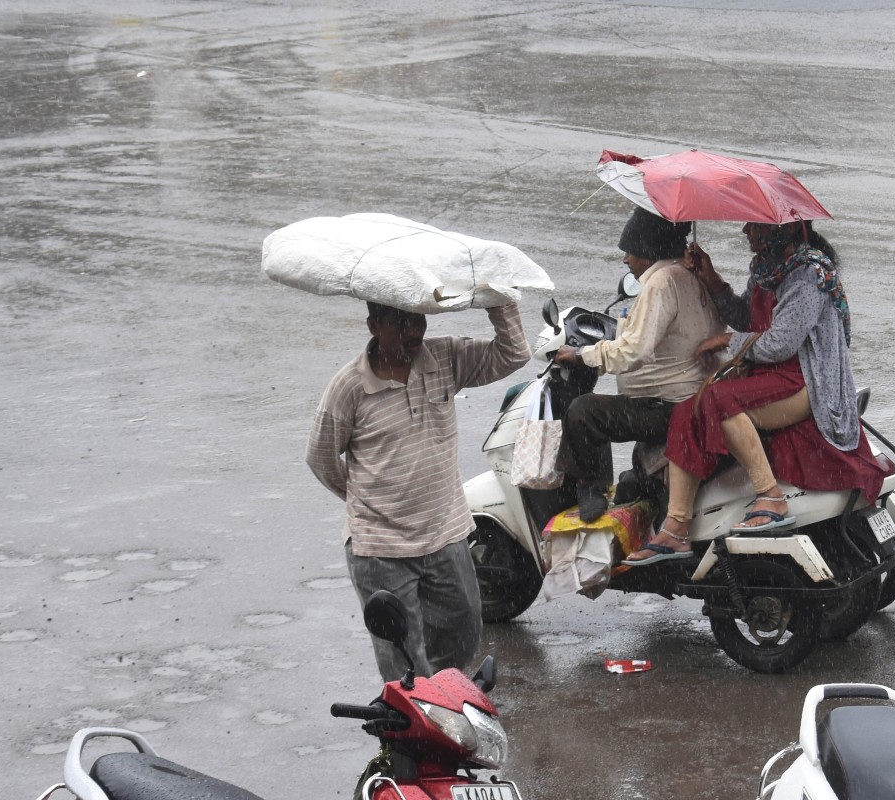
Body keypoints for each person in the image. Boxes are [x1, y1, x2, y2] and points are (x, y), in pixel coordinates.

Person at [625, 220, 890, 564]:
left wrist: (725, 342)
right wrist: (711, 278)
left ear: (780, 230)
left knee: (719, 401)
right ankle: (676, 527)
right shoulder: (767, 269)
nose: (745, 231)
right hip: (770, 375)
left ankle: (771, 495)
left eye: (754, 226)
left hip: (805, 380)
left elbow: (780, 343)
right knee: (687, 411)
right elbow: (746, 319)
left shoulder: (808, 274)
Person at [307, 301, 530, 680]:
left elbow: (512, 353)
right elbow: (321, 457)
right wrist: (368, 501)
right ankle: (410, 726)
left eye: (418, 319)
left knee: (463, 632)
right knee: (402, 657)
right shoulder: (349, 387)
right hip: (381, 549)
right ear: (374, 325)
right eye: (401, 322)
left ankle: (436, 707)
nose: (415, 331)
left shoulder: (444, 357)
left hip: (446, 533)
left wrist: (499, 301)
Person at [554, 207, 724, 522]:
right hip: (696, 399)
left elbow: (634, 352)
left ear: (647, 249)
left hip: (667, 406)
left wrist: (582, 356)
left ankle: (591, 486)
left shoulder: (661, 283)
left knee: (582, 412)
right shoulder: (690, 274)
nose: (625, 260)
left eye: (629, 251)